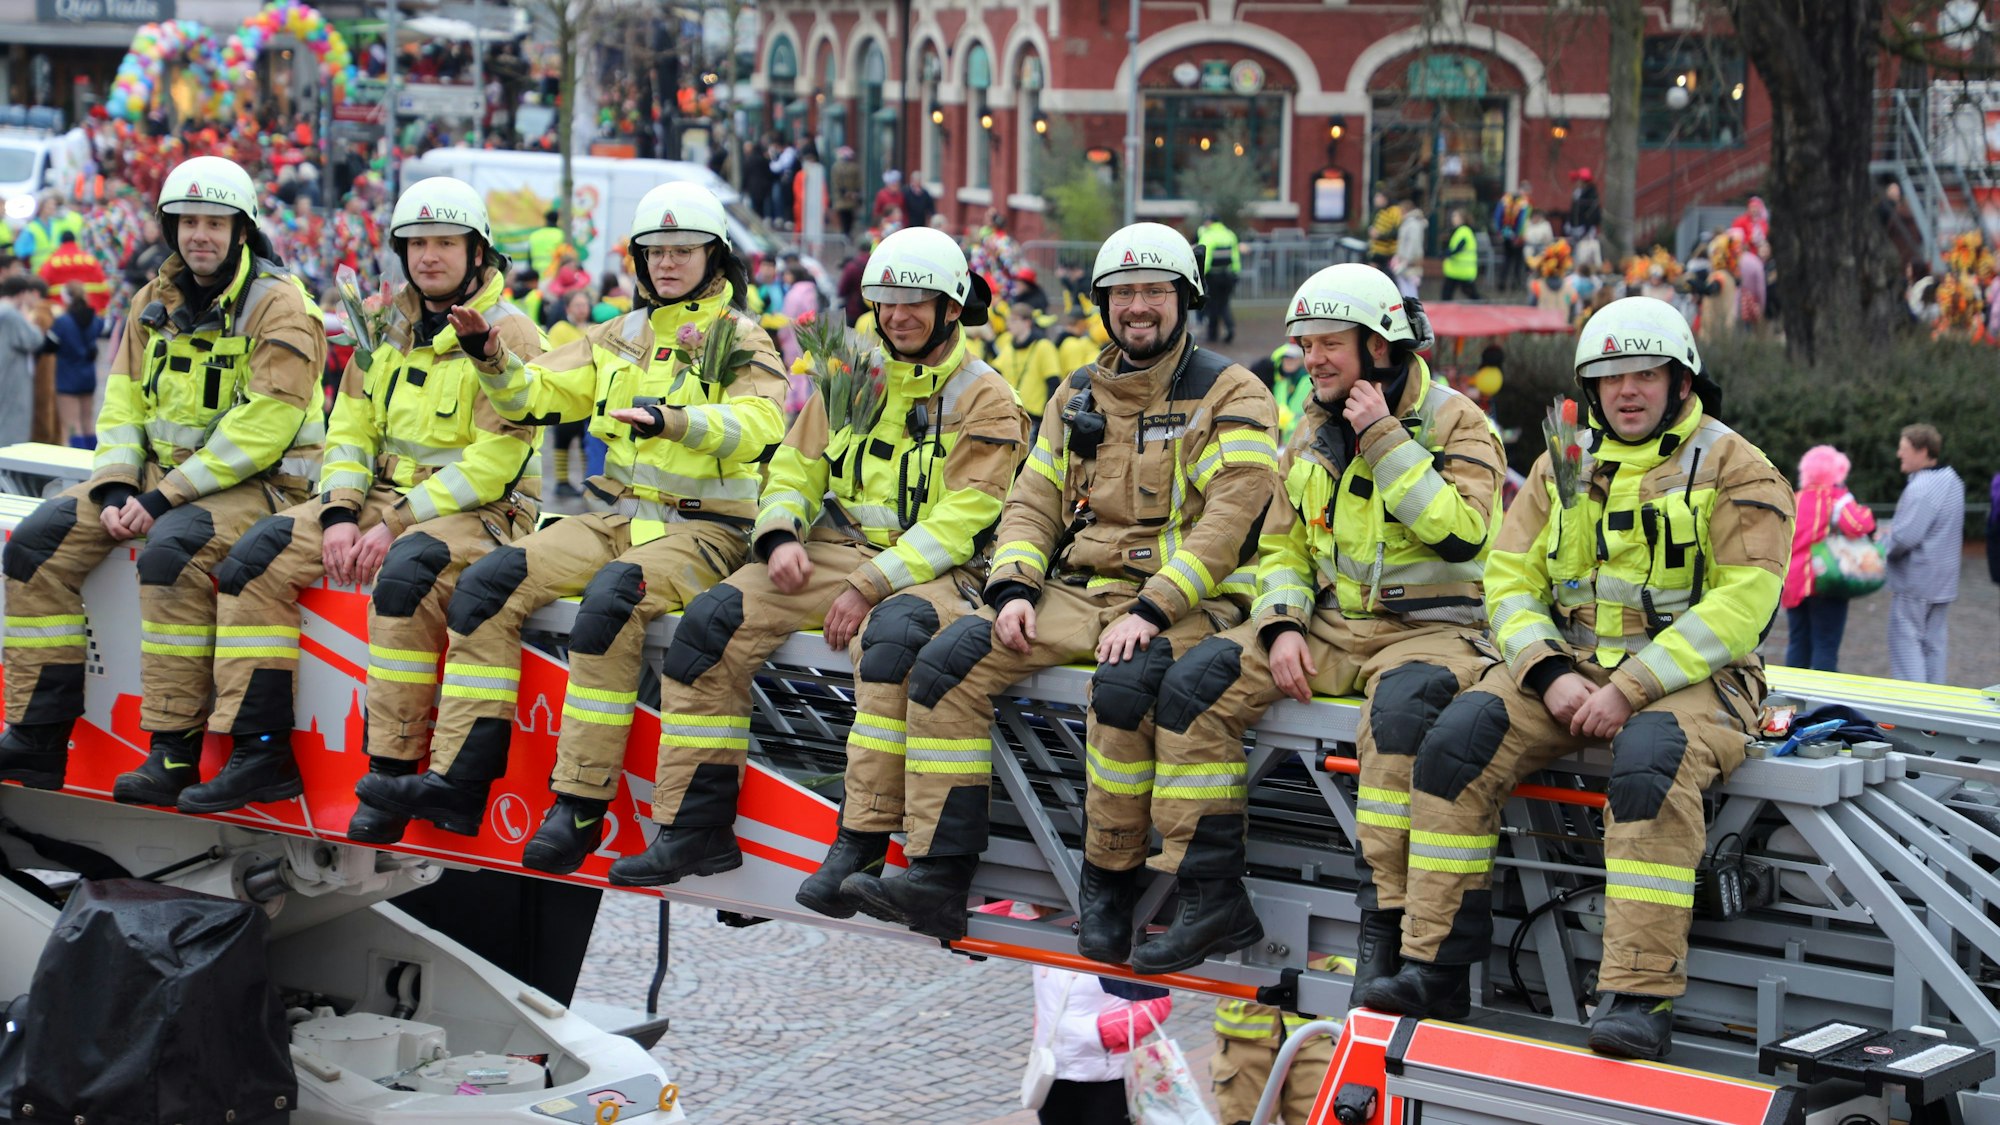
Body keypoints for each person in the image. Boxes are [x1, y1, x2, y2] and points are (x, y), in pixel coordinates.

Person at [1358, 297, 1793, 1062]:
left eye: (1646, 374)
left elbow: (1742, 604)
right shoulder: (1564, 460)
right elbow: (1509, 579)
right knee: (1456, 742)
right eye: (1610, 377)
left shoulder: (1736, 466)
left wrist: (1633, 687)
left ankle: (1637, 993)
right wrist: (1549, 671)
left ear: (1681, 381)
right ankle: (1435, 965)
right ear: (1589, 389)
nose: (1628, 390)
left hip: (1692, 680)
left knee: (1650, 762)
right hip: (1567, 672)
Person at [840, 222, 1279, 947]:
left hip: (1189, 599)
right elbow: (1033, 501)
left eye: (1154, 292)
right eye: (1123, 293)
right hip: (1079, 592)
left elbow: (1230, 521)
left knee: (1123, 683)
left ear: (1184, 299)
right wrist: (1012, 586)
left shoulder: (1231, 393)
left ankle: (1109, 883)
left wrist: (1152, 606)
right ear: (1102, 305)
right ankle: (937, 877)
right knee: (948, 664)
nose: (1138, 306)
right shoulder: (1078, 393)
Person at [352, 182, 788, 865]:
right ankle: (458, 782)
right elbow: (536, 397)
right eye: (655, 251)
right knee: (491, 581)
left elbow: (763, 422)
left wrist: (676, 421)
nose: (668, 263)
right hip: (612, 515)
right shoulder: (620, 333)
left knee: (613, 600)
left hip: (704, 530)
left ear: (716, 259)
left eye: (684, 250)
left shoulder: (741, 337)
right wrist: (491, 356)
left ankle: (580, 806)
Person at [598, 226, 1028, 891]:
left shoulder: (986, 397)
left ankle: (859, 843)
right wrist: (779, 536)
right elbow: (796, 468)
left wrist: (866, 583)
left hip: (937, 570)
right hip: (836, 552)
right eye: (886, 300)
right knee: (708, 628)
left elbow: (963, 519)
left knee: (892, 646)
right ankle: (693, 828)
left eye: (916, 301)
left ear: (952, 306)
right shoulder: (854, 374)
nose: (898, 315)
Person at [1143, 264, 1502, 978]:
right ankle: (1207, 894)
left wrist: (1385, 440)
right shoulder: (1310, 425)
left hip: (1431, 634)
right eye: (1305, 345)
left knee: (1397, 729)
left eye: (1329, 343)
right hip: (1330, 626)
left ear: (1381, 344)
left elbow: (1465, 534)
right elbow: (1283, 546)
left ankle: (1387, 929)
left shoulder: (1459, 422)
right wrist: (1279, 626)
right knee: (1193, 687)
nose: (1313, 360)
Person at [170, 178, 544, 818]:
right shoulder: (384, 323)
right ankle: (260, 754)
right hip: (377, 501)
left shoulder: (511, 335)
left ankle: (392, 773)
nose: (428, 255)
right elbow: (350, 428)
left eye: (445, 243)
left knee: (406, 576)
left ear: (477, 253)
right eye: (416, 242)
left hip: (479, 511)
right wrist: (341, 511)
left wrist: (392, 523)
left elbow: (494, 463)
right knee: (253, 562)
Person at [0, 156, 327, 793]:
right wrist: (120, 485)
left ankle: (173, 750)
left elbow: (262, 428)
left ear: (242, 231)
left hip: (260, 487)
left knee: (172, 553)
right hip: (157, 483)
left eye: (214, 222)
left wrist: (161, 496)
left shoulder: (283, 308)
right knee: (35, 546)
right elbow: (120, 399)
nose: (199, 234)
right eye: (186, 222)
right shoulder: (152, 300)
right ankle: (36, 737)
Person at [1212, 954, 1346, 1125]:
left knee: (1318, 1119)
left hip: (1314, 1039)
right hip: (1245, 1043)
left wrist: (1339, 980)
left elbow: (1357, 946)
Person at [1035, 965, 1171, 1125]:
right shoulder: (1043, 942)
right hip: (1052, 1074)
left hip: (1110, 1078)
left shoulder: (1117, 945)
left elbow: (1157, 1000)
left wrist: (1098, 1033)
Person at [1782, 445, 1877, 672]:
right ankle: (1822, 705)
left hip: (1794, 584)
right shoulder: (1837, 498)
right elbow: (1859, 525)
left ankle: (1792, 702)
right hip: (1826, 580)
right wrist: (1863, 509)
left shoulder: (1795, 498)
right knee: (1825, 647)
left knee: (1798, 644)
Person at [1883, 423, 1965, 684]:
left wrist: (1879, 548)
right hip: (1944, 580)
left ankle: (1912, 711)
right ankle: (1933, 711)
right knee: (1934, 646)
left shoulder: (1921, 488)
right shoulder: (1953, 481)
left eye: (1904, 448)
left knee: (1907, 646)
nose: (1899, 454)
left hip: (1916, 582)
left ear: (1922, 451)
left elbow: (1905, 537)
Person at [990, 302, 1062, 425]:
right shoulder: (1009, 346)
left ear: (1027, 322)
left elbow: (1053, 383)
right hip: (1010, 414)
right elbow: (993, 374)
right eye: (1008, 320)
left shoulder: (1043, 346)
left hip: (1034, 418)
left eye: (1014, 320)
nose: (1008, 324)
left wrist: (1048, 416)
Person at [49, 281, 97, 449]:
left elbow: (48, 346)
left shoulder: (62, 321)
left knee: (72, 424)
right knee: (88, 422)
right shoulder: (94, 319)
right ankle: (92, 461)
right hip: (88, 375)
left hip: (67, 376)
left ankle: (77, 464)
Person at [0, 277, 44, 447]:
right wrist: (26, 315)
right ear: (22, 294)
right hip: (12, 374)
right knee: (12, 420)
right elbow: (34, 339)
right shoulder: (11, 314)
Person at [37, 231, 111, 313]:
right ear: (75, 241)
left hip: (60, 314)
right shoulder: (91, 261)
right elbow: (104, 291)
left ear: (61, 242)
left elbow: (40, 288)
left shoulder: (50, 262)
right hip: (90, 313)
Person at [1195, 212, 1240, 344]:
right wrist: (1236, 272)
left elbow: (1206, 258)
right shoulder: (1230, 234)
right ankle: (1230, 328)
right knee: (1224, 303)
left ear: (1209, 222)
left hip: (1212, 277)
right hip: (1228, 275)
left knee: (1212, 305)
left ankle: (1212, 334)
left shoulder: (1208, 236)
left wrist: (1200, 275)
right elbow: (1235, 256)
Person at [13, 192, 82, 274]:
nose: (52, 208)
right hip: (39, 271)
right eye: (49, 205)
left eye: (53, 205)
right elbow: (20, 251)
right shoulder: (31, 228)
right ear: (41, 207)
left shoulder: (56, 224)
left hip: (56, 269)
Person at [1492, 186, 1531, 292]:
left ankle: (1502, 282)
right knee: (1517, 261)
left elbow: (1497, 217)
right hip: (1517, 237)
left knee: (1507, 260)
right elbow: (1523, 221)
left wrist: (1499, 232)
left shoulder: (1504, 201)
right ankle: (1515, 284)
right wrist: (1519, 236)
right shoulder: (1524, 204)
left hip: (1505, 235)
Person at [1441, 209, 1480, 300]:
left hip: (1461, 270)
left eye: (1455, 216)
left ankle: (1484, 306)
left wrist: (1446, 253)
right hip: (1457, 270)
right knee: (1468, 293)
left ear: (1462, 219)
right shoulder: (1461, 231)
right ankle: (1483, 306)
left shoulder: (1464, 231)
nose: (1453, 219)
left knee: (1448, 294)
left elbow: (1458, 247)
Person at [1394, 202, 1427, 299]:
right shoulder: (1409, 223)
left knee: (1410, 286)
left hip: (1409, 260)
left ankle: (1411, 308)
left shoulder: (1412, 224)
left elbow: (1413, 242)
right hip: (1407, 259)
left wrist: (1406, 259)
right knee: (1406, 285)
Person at [830, 145, 863, 235]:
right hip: (851, 198)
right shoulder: (855, 167)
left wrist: (844, 193)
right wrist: (854, 193)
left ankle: (844, 235)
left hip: (842, 198)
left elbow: (835, 183)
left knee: (843, 218)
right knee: (849, 219)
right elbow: (859, 183)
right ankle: (847, 234)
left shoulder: (836, 167)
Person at [526, 209, 565, 281]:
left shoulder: (534, 235)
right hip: (554, 275)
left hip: (536, 276)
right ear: (557, 220)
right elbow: (565, 256)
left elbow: (529, 258)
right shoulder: (561, 234)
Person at [1367, 190, 1401, 273]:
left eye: (1378, 197)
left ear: (1385, 198)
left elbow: (1398, 232)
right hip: (1377, 251)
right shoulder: (1380, 212)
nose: (1375, 199)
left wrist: (1380, 235)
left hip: (1389, 253)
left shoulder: (1394, 211)